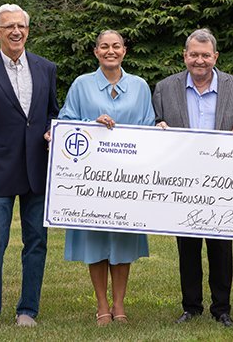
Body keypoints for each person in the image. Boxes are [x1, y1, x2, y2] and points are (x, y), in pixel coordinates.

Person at [0, 4, 59, 332]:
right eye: (9, 27)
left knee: (36, 242)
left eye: (21, 26)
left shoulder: (47, 68)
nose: (16, 31)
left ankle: (27, 310)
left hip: (38, 171)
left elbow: (52, 114)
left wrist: (52, 130)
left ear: (28, 31)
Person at [152, 28, 233, 327]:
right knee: (187, 246)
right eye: (194, 55)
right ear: (185, 56)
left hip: (223, 182)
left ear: (215, 57)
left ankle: (222, 308)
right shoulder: (164, 88)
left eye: (205, 55)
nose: (200, 60)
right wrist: (157, 127)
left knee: (221, 246)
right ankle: (191, 306)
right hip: (182, 180)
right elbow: (154, 126)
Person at [55, 30, 155, 326]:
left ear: (124, 50)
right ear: (96, 52)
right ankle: (101, 306)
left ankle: (120, 305)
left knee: (123, 239)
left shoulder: (139, 86)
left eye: (116, 46)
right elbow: (66, 121)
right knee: (95, 239)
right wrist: (91, 124)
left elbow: (148, 126)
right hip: (91, 179)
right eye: (104, 47)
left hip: (127, 178)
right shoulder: (81, 85)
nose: (110, 51)